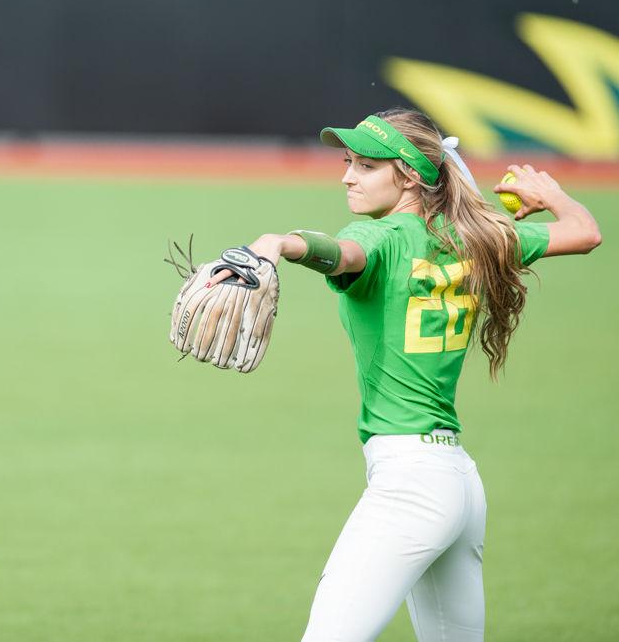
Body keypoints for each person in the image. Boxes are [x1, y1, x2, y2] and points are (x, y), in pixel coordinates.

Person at [208, 107, 601, 642]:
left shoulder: (386, 237)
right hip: (459, 483)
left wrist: (279, 243)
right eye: (348, 161)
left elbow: (341, 253)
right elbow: (584, 232)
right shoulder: (479, 238)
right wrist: (548, 195)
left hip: (410, 485)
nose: (348, 174)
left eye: (367, 165)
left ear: (411, 174)